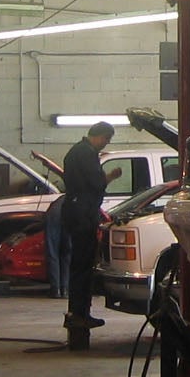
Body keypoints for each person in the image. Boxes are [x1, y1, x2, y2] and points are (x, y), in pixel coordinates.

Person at [46, 121, 115, 334]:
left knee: (79, 264)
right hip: (82, 215)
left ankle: (80, 312)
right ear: (100, 136)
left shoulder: (75, 151)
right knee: (83, 266)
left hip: (76, 212)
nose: (106, 144)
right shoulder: (86, 153)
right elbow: (96, 183)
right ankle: (80, 313)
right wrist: (111, 177)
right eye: (106, 140)